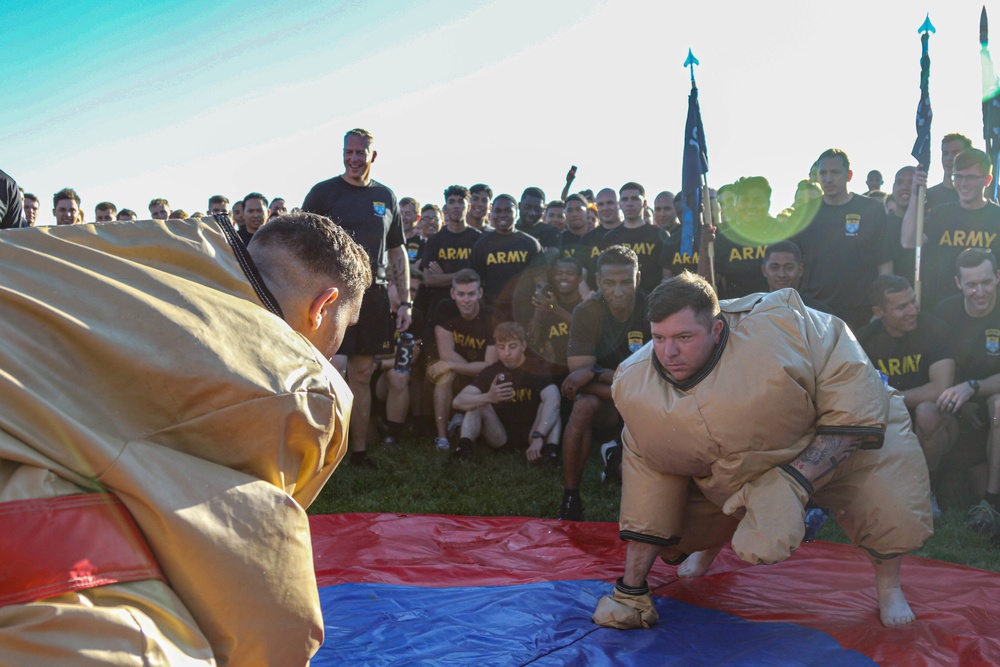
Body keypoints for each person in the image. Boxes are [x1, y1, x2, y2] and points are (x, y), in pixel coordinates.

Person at [0, 212, 370, 664]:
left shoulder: (119, 252)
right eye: (344, 327)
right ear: (323, 306)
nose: (335, 347)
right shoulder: (298, 385)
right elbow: (258, 567)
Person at [594, 272, 932, 631]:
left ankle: (888, 587)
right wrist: (631, 588)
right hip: (744, 460)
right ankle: (711, 544)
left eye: (684, 337)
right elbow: (650, 480)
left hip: (836, 434)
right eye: (658, 339)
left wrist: (794, 480)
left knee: (887, 499)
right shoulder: (636, 384)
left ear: (717, 330)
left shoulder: (784, 324)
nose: (669, 353)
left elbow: (855, 395)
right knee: (683, 519)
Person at [302, 128, 411, 468]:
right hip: (332, 293)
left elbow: (397, 251)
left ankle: (358, 452)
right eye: (348, 152)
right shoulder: (323, 193)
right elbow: (303, 243)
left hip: (374, 293)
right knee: (330, 368)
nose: (353, 158)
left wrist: (405, 300)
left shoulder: (387, 197)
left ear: (372, 156)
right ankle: (318, 451)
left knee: (362, 373)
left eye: (360, 153)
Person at [558, 245, 652, 520]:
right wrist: (621, 382)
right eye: (610, 283)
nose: (619, 291)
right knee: (583, 405)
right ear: (598, 282)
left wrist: (596, 372)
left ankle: (614, 458)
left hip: (649, 399)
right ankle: (571, 498)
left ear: (637, 278)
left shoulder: (653, 308)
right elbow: (577, 376)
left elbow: (656, 375)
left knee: (638, 482)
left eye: (626, 282)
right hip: (616, 399)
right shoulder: (586, 311)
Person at [857, 275, 956, 488]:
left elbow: (941, 388)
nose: (913, 311)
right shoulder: (865, 340)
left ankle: (927, 488)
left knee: (927, 413)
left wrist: (890, 397)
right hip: (887, 420)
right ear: (879, 312)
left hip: (934, 420)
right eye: (902, 307)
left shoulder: (935, 329)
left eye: (913, 301)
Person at [932, 249, 1000, 539]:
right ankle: (930, 489)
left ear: (998, 277)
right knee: (970, 484)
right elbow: (942, 368)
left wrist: (973, 388)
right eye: (972, 285)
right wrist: (964, 401)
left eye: (986, 282)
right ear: (958, 283)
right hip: (961, 411)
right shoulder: (945, 311)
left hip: (989, 402)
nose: (980, 291)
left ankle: (991, 504)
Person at [793, 148, 891, 331]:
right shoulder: (804, 213)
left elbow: (884, 264)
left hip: (862, 311)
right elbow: (790, 264)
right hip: (816, 311)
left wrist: (882, 308)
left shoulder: (871, 209)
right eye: (823, 173)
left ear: (849, 175)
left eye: (835, 172)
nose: (828, 179)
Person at [902, 148, 1000, 312]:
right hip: (942, 306)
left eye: (970, 177)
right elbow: (909, 241)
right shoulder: (941, 214)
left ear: (987, 180)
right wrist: (915, 194)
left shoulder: (997, 216)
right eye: (958, 177)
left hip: (987, 309)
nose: (963, 184)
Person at [452, 322, 560, 462]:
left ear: (523, 346)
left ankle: (550, 454)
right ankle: (464, 450)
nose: (506, 353)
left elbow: (554, 400)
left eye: (512, 347)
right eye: (501, 347)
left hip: (533, 432)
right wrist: (488, 397)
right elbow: (457, 401)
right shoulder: (492, 371)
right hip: (500, 436)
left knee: (551, 404)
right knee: (477, 403)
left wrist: (538, 437)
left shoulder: (536, 368)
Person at [427, 269, 497, 450]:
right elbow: (445, 353)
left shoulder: (491, 317)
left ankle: (462, 421)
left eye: (471, 294)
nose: (466, 300)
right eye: (461, 294)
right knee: (443, 377)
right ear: (452, 294)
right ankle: (442, 438)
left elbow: (489, 366)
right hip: (465, 370)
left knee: (445, 369)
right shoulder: (445, 308)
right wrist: (455, 365)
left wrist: (450, 364)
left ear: (480, 293)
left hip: (483, 377)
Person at [469, 193, 541, 321]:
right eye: (497, 211)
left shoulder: (530, 243)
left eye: (508, 210)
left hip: (524, 312)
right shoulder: (482, 245)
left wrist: (536, 317)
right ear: (491, 214)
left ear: (516, 213)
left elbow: (541, 282)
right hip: (492, 312)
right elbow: (475, 282)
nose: (502, 215)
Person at [418, 186, 481, 322]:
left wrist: (443, 277)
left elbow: (480, 277)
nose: (456, 206)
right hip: (440, 307)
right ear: (446, 208)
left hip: (471, 308)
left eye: (460, 202)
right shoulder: (435, 240)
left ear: (468, 207)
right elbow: (429, 280)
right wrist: (462, 274)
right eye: (451, 202)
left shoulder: (478, 239)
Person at [601, 182, 671, 296]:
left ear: (644, 203)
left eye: (634, 199)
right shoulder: (610, 237)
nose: (629, 203)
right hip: (619, 298)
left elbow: (667, 275)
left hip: (653, 300)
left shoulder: (660, 235)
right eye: (625, 199)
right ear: (619, 204)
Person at [926, 133, 973, 211]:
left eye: (955, 153)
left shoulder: (979, 194)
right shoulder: (928, 196)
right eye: (945, 153)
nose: (949, 158)